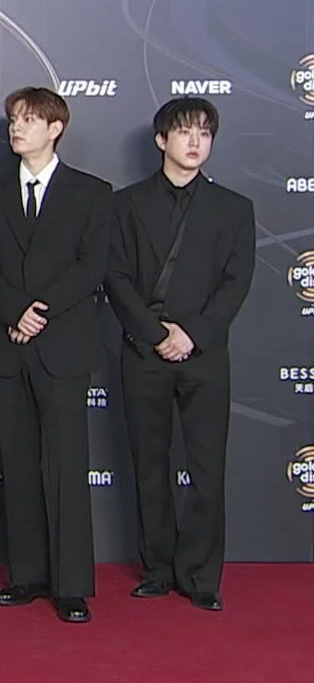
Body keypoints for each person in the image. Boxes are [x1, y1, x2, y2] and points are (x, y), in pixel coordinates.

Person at [0, 86, 111, 623]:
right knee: (17, 462)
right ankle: (25, 575)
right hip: (7, 345)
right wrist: (14, 312)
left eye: (28, 120)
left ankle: (70, 584)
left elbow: (93, 265)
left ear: (55, 129)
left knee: (67, 465)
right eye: (13, 120)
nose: (16, 128)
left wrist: (38, 311)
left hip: (62, 345)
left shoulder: (92, 193)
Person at [105, 97, 254, 612]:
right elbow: (115, 276)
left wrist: (191, 334)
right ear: (160, 139)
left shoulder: (234, 208)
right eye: (186, 132)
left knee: (207, 470)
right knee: (150, 466)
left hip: (205, 355)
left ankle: (201, 575)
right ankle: (158, 568)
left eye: (205, 134)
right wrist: (154, 333)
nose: (195, 142)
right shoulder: (124, 205)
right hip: (143, 352)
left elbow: (236, 283)